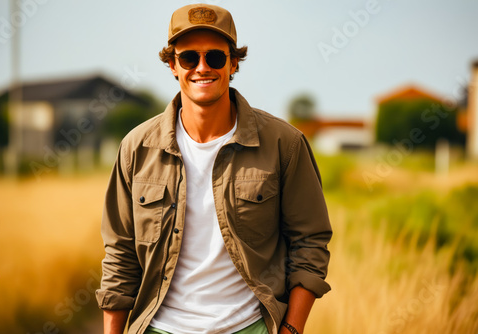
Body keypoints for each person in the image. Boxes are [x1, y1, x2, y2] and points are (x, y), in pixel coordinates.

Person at [96, 4, 332, 334]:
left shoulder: (285, 144)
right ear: (172, 65)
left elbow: (310, 241)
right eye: (189, 58)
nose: (202, 68)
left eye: (216, 57)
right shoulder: (136, 148)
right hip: (160, 328)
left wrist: (291, 329)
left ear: (234, 62)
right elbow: (120, 253)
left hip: (250, 327)